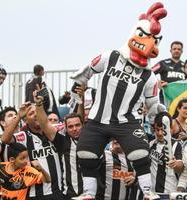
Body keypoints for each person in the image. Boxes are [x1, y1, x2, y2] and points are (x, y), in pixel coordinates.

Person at [70, 3, 167, 199]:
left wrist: (160, 115)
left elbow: (153, 104)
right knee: (86, 153)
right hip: (98, 119)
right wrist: (76, 89)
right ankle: (88, 193)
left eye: (154, 40)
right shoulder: (111, 56)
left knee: (140, 153)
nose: (149, 43)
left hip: (126, 122)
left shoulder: (149, 77)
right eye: (146, 36)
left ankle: (148, 191)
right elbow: (86, 70)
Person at [1, 102, 63, 200]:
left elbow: (77, 123)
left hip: (57, 192)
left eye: (37, 111)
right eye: (31, 113)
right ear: (26, 121)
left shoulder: (55, 130)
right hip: (34, 195)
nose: (35, 114)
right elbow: (4, 139)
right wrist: (19, 116)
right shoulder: (24, 136)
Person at [35, 91, 84, 199]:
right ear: (65, 128)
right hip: (70, 195)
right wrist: (39, 104)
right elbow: (44, 124)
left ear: (82, 125)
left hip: (92, 194)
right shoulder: (63, 142)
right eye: (70, 127)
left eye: (77, 125)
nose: (74, 129)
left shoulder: (91, 140)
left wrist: (81, 100)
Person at [150, 112, 183, 193]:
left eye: (163, 129)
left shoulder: (177, 145)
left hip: (168, 192)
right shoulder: (151, 144)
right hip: (151, 193)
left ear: (171, 129)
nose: (160, 133)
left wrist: (175, 164)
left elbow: (181, 166)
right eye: (157, 129)